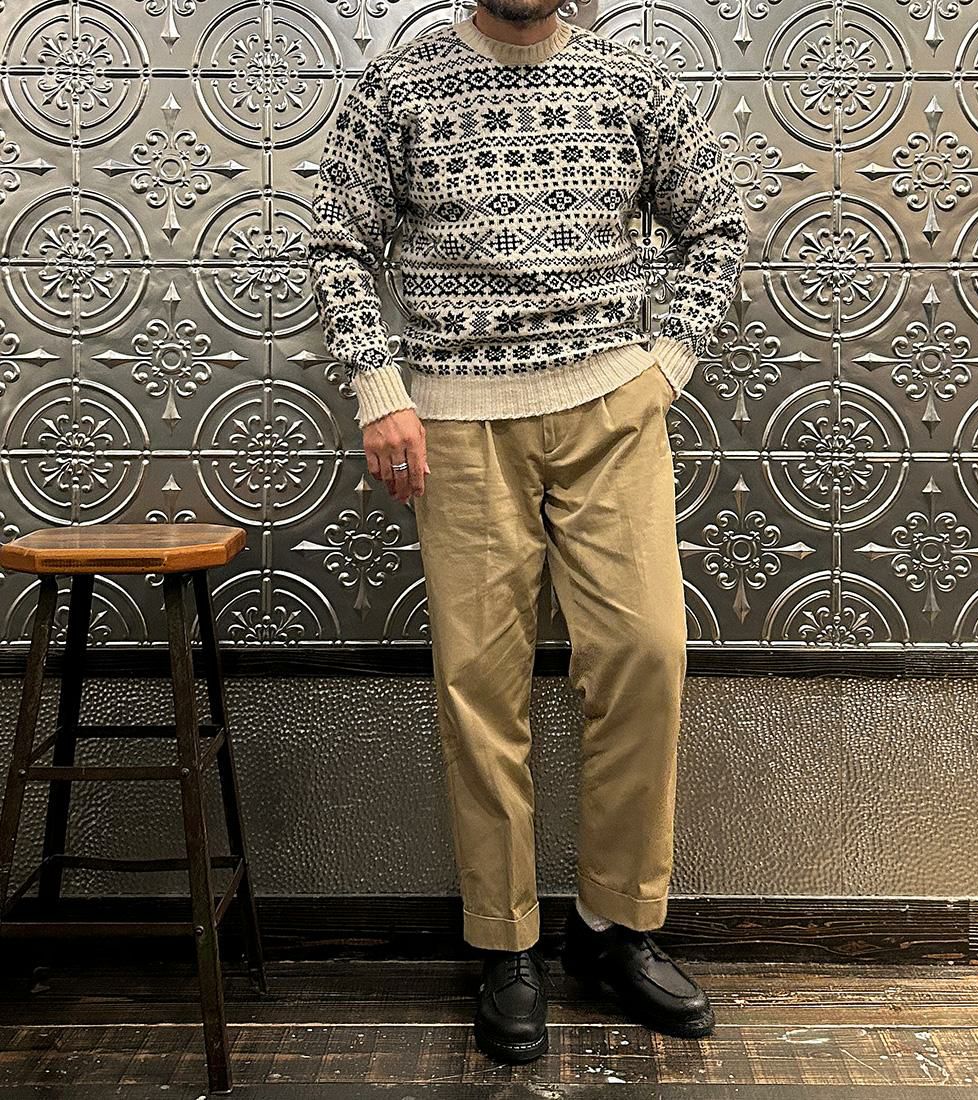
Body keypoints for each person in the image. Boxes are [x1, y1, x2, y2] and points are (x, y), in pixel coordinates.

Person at [307, 0, 748, 1064]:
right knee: (480, 684)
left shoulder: (630, 81)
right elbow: (337, 242)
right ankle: (503, 941)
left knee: (644, 653)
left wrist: (667, 365)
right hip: (456, 424)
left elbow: (717, 225)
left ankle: (613, 925)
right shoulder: (399, 86)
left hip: (611, 412)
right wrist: (378, 388)